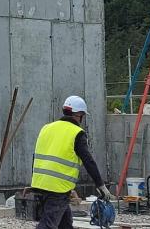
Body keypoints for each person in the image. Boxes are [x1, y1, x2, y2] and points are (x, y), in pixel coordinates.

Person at [31, 95, 113, 229]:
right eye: (83, 116)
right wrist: (101, 186)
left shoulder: (47, 128)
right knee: (48, 224)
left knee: (65, 223)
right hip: (57, 188)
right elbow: (88, 161)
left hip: (40, 183)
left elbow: (38, 156)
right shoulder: (76, 133)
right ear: (79, 114)